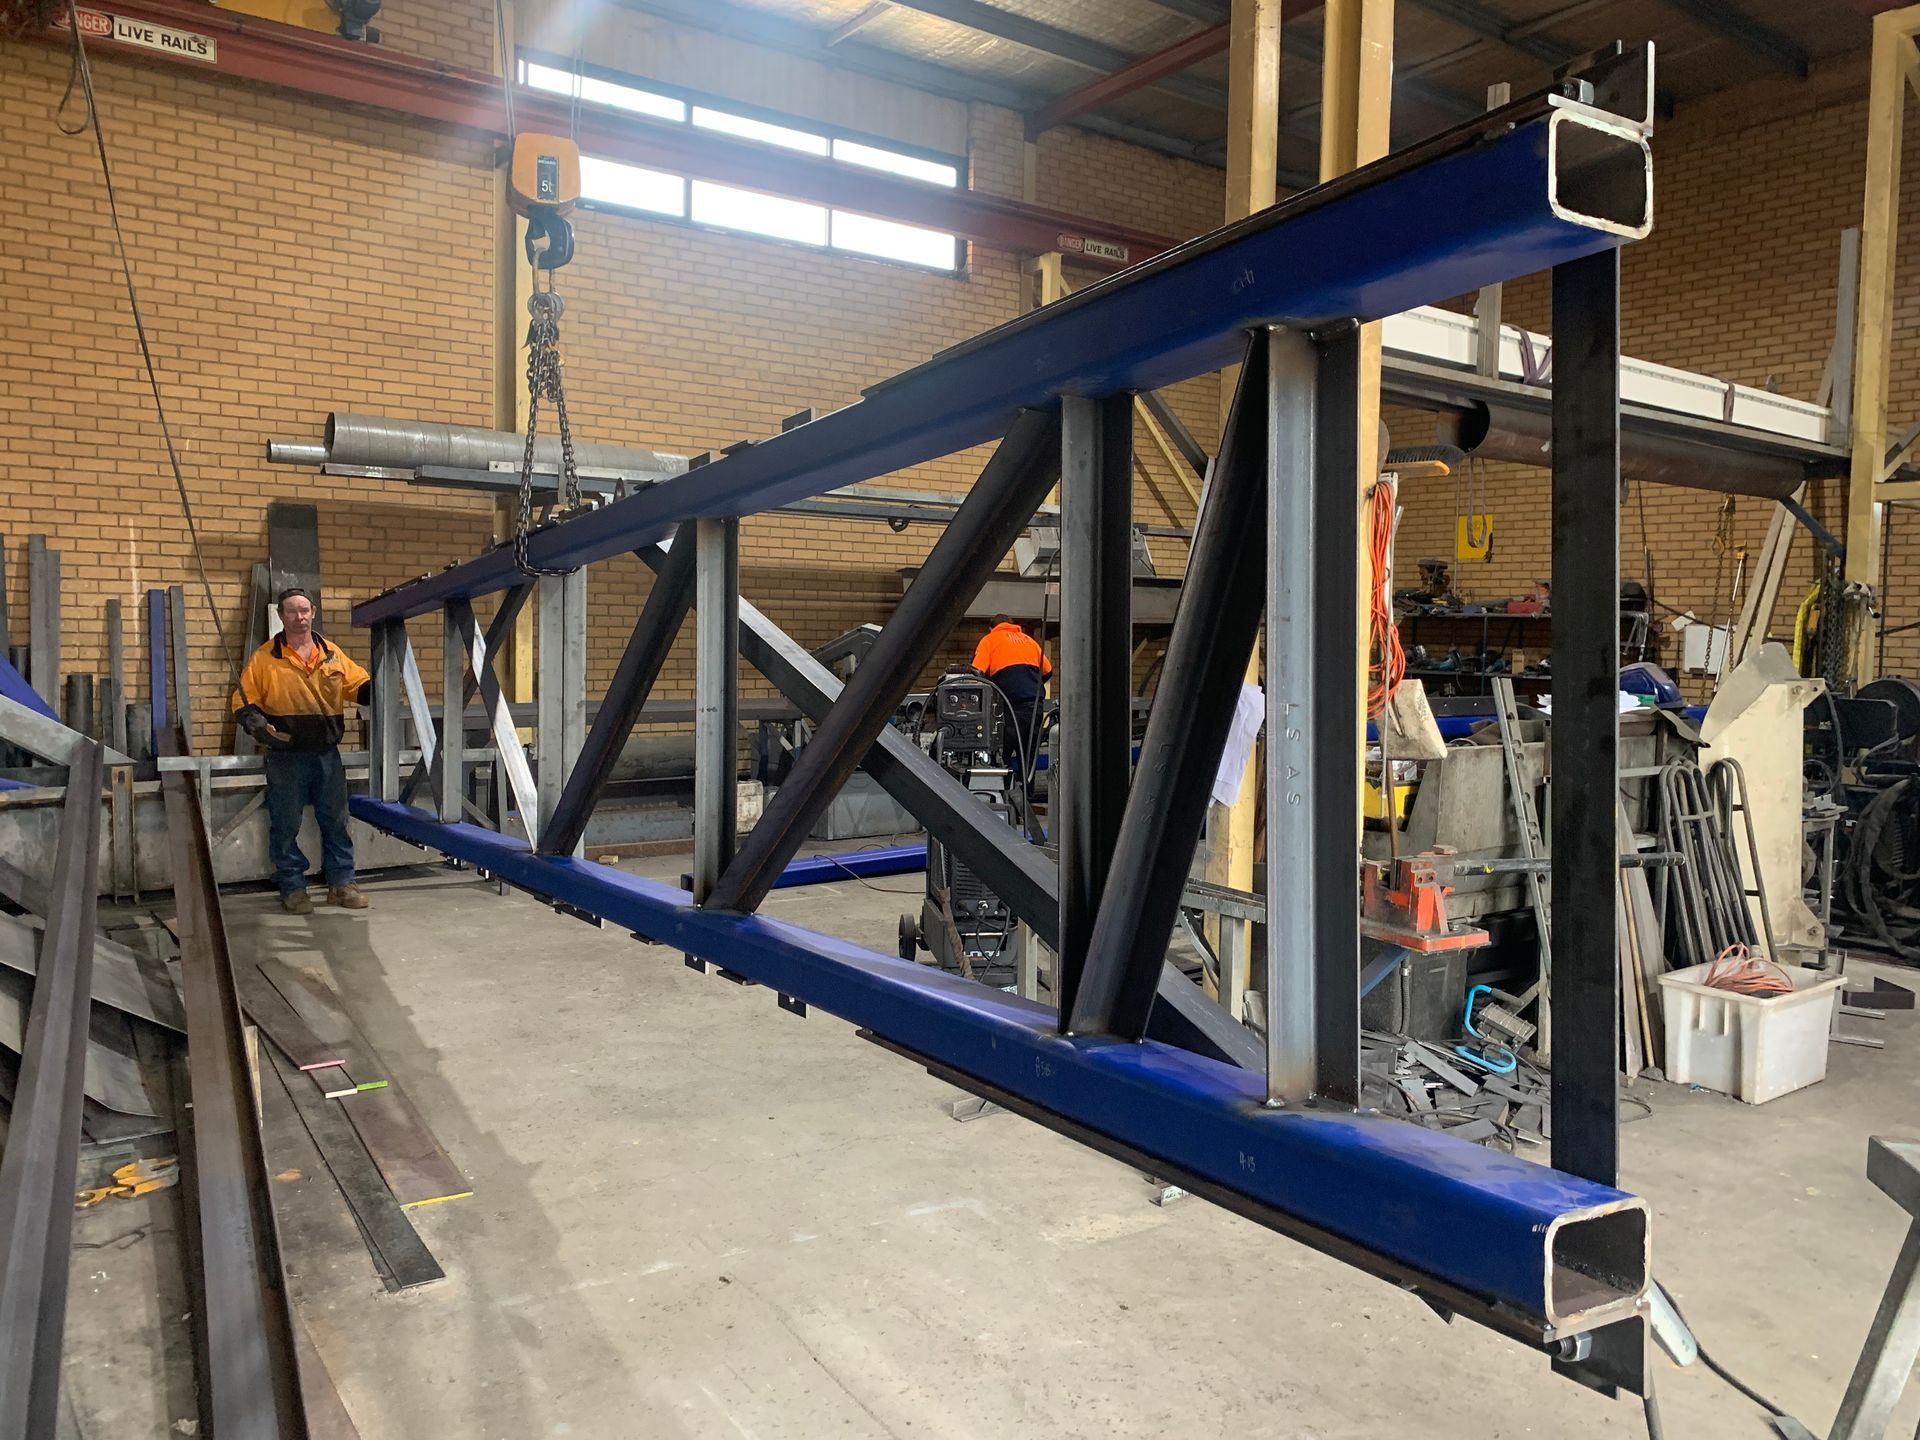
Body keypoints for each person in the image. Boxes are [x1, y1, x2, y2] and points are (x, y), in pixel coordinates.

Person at [232, 589, 373, 913]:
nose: (300, 617)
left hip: (326, 754)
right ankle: (293, 888)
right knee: (286, 823)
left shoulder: (332, 654)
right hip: (285, 757)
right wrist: (254, 721)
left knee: (336, 820)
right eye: (292, 612)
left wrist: (386, 681)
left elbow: (359, 687)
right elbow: (242, 699)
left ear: (313, 612)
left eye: (305, 610)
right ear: (281, 616)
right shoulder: (265, 658)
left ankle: (342, 885)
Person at [969, 614, 1051, 780]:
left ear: (992, 628)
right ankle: (1027, 795)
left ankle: (1005, 792)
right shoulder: (1029, 641)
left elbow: (976, 671)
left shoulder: (990, 640)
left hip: (1009, 706)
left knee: (1002, 754)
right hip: (1034, 705)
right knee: (1029, 755)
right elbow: (1048, 671)